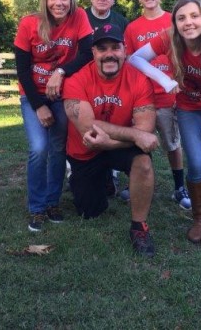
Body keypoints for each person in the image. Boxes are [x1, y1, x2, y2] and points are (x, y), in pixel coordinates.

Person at [129, 0, 201, 247]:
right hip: (188, 107)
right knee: (197, 163)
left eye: (194, 16)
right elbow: (134, 58)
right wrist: (165, 80)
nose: (188, 22)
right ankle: (199, 219)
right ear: (174, 22)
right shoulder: (169, 39)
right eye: (181, 18)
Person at [63, 24, 159, 257]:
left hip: (115, 146)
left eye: (115, 47)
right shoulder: (76, 80)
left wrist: (112, 143)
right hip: (85, 150)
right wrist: (135, 134)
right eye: (102, 48)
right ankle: (103, 179)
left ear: (125, 50)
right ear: (93, 52)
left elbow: (146, 128)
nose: (109, 54)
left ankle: (139, 227)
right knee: (90, 211)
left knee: (143, 163)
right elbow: (88, 127)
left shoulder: (139, 80)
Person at [14, 0, 93, 232]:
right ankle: (36, 208)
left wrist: (60, 72)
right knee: (39, 148)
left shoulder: (79, 17)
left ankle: (52, 202)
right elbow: (23, 70)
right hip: (32, 95)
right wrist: (39, 105)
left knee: (59, 147)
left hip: (61, 93)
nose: (58, 2)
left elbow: (86, 53)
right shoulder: (29, 24)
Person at [122, 0, 191, 209]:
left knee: (172, 144)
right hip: (142, 98)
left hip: (168, 97)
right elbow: (130, 62)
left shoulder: (175, 22)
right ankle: (137, 184)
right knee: (139, 143)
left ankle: (179, 187)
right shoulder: (132, 28)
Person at [86, 0, 129, 196]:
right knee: (84, 124)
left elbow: (127, 52)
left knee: (112, 121)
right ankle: (79, 171)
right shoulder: (79, 18)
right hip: (84, 80)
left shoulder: (121, 21)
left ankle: (111, 174)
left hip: (113, 81)